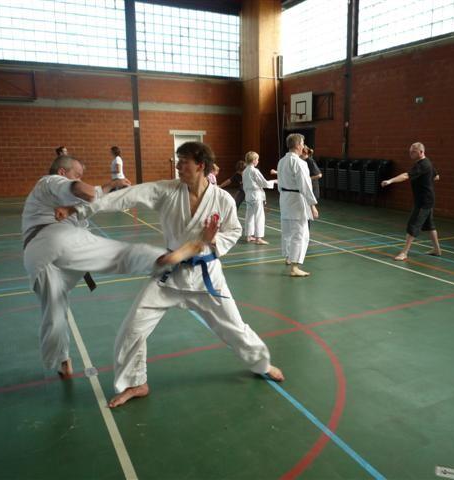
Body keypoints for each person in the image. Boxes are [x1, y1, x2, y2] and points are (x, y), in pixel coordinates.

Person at [56, 142, 284, 408]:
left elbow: (233, 231)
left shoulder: (222, 199)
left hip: (205, 277)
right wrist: (78, 209)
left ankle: (261, 363)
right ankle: (135, 382)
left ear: (200, 165)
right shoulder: (166, 190)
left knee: (234, 327)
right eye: (178, 161)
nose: (178, 166)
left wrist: (212, 242)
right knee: (132, 330)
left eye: (183, 161)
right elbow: (124, 197)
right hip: (169, 277)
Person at [22, 155, 199, 379]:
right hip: (55, 239)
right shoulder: (50, 182)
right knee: (118, 254)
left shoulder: (44, 197)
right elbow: (82, 190)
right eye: (77, 173)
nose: (79, 177)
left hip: (36, 259)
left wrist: (109, 190)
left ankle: (61, 362)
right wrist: (105, 186)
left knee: (54, 313)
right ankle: (163, 259)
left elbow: (89, 204)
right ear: (62, 172)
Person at [381, 142, 441, 261]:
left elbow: (406, 176)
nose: (410, 154)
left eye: (413, 152)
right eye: (410, 151)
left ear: (421, 152)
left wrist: (390, 181)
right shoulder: (427, 162)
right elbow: (436, 176)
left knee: (413, 224)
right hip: (428, 199)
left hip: (424, 201)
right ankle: (437, 250)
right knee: (430, 225)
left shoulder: (422, 164)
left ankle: (404, 252)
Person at [277, 133, 319, 277]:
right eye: (302, 143)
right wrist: (312, 204)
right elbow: (305, 186)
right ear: (297, 145)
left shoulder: (282, 161)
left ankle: (289, 257)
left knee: (288, 231)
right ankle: (295, 267)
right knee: (301, 234)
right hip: (296, 200)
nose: (303, 146)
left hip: (285, 198)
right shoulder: (299, 162)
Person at [242, 151, 277, 244]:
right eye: (257, 159)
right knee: (259, 216)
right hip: (256, 195)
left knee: (249, 216)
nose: (258, 161)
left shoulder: (245, 171)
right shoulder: (254, 171)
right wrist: (274, 181)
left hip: (248, 195)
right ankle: (258, 238)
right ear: (253, 160)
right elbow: (263, 183)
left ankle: (249, 236)